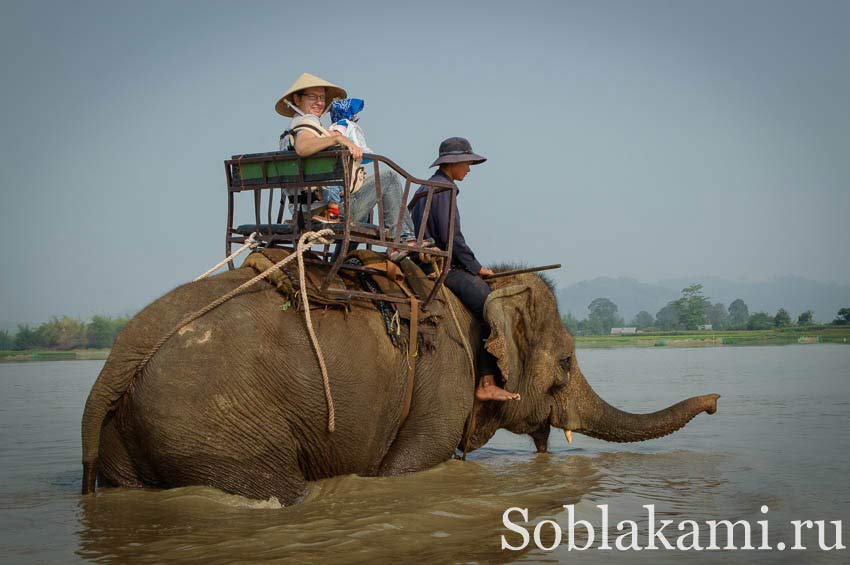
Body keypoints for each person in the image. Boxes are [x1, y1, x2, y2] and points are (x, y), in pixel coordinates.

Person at [411, 137, 520, 402]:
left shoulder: (425, 189)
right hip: (440, 268)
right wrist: (476, 267)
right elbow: (452, 239)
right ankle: (487, 381)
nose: (469, 169)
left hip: (419, 262)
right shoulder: (444, 190)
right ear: (454, 163)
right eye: (468, 163)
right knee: (491, 305)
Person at [275, 73, 415, 242]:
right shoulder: (307, 123)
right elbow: (303, 147)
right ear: (297, 100)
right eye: (313, 97)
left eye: (322, 97)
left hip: (302, 210)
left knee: (360, 188)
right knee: (389, 178)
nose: (319, 102)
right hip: (331, 210)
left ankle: (342, 257)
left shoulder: (291, 131)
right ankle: (403, 238)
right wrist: (338, 138)